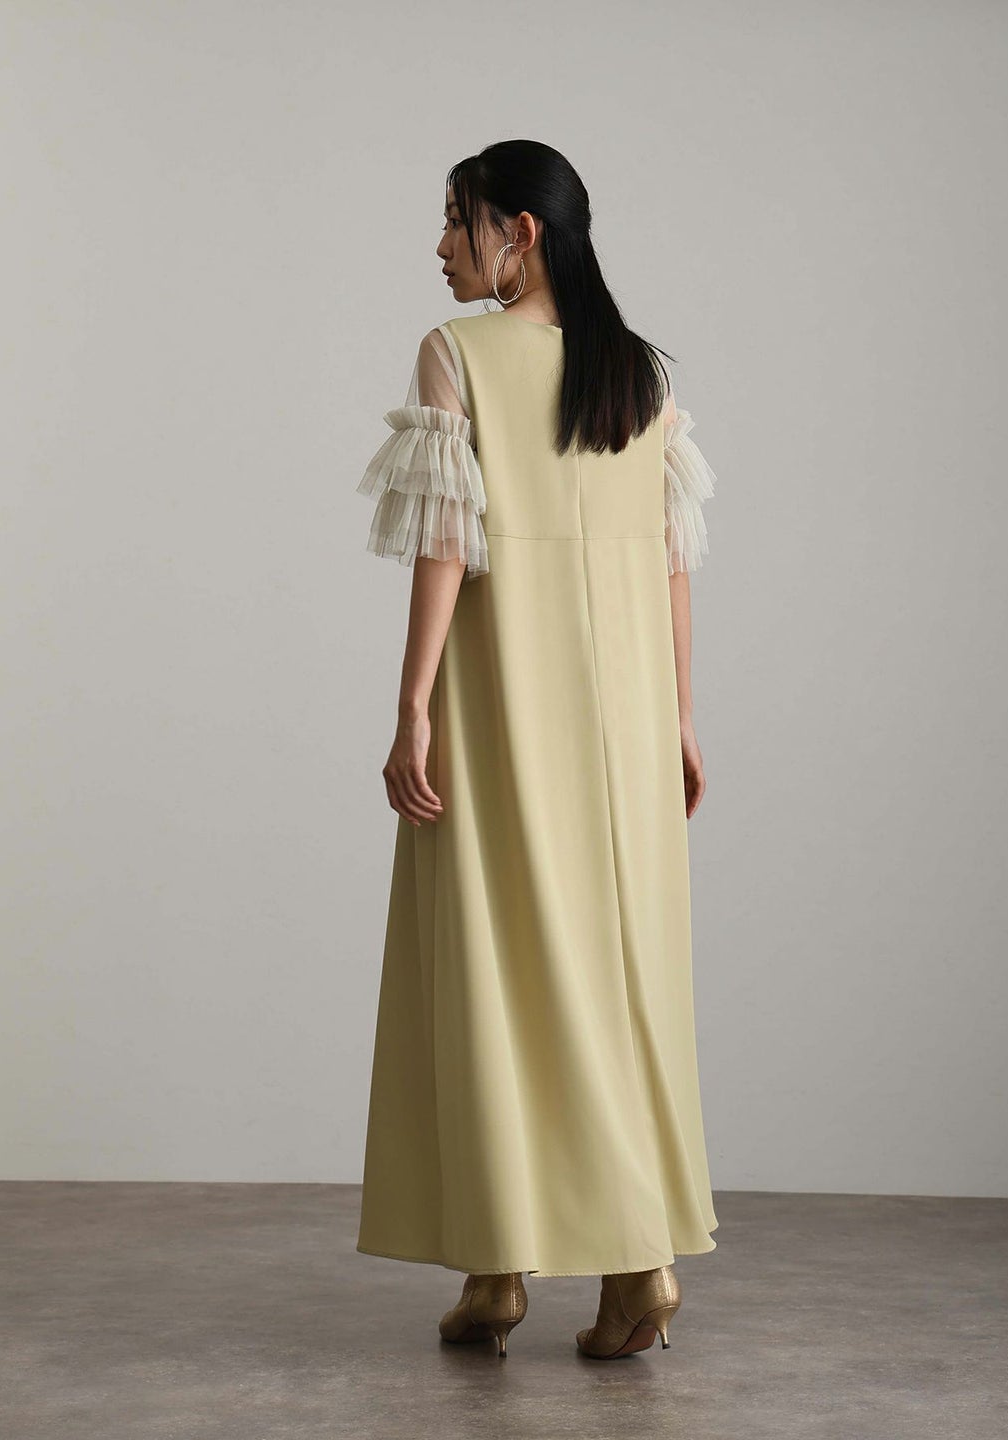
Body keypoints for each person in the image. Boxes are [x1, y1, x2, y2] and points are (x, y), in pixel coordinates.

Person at [354, 140, 719, 1361]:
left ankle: (525, 1268)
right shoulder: (640, 372)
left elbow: (444, 543)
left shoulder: (456, 353)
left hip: (505, 700)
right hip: (627, 717)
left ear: (519, 231)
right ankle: (600, 1265)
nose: (440, 246)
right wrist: (679, 716)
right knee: (618, 977)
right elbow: (671, 559)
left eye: (456, 220)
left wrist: (412, 704)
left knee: (494, 965)